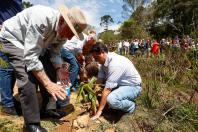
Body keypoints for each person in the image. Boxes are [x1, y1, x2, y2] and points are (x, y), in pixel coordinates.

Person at [0, 4, 87, 132]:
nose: (69, 38)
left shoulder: (63, 33)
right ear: (62, 21)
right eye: (70, 32)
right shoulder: (41, 18)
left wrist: (59, 69)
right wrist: (47, 84)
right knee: (27, 76)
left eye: (73, 35)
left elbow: (55, 52)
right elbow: (30, 57)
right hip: (14, 39)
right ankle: (31, 123)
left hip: (34, 45)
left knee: (51, 69)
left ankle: (48, 109)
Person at [90, 42, 142, 120]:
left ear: (102, 53)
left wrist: (99, 112)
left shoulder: (115, 64)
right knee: (102, 93)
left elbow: (107, 90)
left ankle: (131, 106)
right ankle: (117, 105)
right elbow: (99, 81)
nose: (96, 60)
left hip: (133, 86)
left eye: (96, 58)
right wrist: (94, 93)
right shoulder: (103, 62)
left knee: (111, 100)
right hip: (120, 85)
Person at [0, 0, 23, 115]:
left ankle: (9, 99)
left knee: (12, 69)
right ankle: (6, 104)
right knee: (6, 69)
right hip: (4, 34)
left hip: (15, 35)